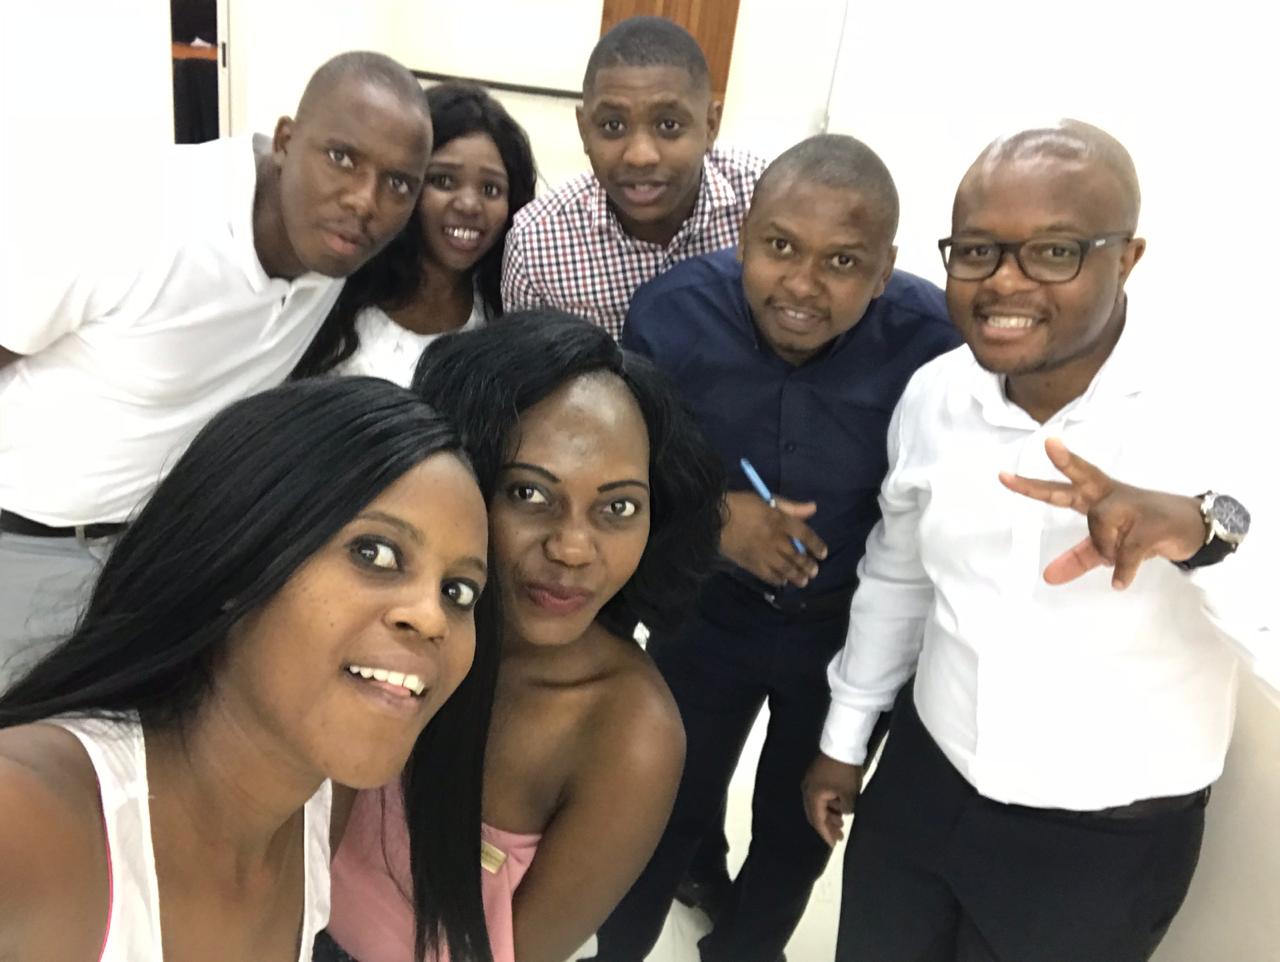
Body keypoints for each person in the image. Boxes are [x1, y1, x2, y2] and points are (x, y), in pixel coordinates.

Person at [804, 120, 1271, 962]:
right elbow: (899, 581)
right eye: (977, 251)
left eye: (1054, 252)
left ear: (1126, 259)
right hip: (925, 784)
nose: (1004, 282)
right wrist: (845, 742)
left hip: (1100, 845)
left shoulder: (1222, 408)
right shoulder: (935, 395)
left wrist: (1202, 536)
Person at [586, 135, 959, 962]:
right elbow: (621, 470)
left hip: (850, 633)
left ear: (886, 268)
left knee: (798, 828)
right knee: (658, 805)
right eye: (780, 247)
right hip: (706, 614)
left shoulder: (936, 344)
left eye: (842, 262)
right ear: (743, 234)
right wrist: (713, 520)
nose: (801, 284)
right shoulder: (671, 315)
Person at [0, 377, 496, 961]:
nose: (433, 617)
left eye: (459, 592)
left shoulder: (320, 803)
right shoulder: (26, 822)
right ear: (240, 560)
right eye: (375, 553)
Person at [0, 51, 434, 686]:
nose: (364, 200)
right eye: (342, 157)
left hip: (162, 561)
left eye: (398, 183)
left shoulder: (338, 255)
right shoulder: (139, 214)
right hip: (29, 544)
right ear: (285, 141)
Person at [319, 311, 726, 962]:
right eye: (530, 494)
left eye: (618, 507)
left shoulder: (629, 736)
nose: (573, 548)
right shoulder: (381, 613)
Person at [501, 15, 765, 338]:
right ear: (584, 130)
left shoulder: (765, 203)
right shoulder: (536, 245)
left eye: (668, 125)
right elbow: (530, 365)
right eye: (613, 126)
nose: (640, 156)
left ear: (711, 125)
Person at [294, 82, 537, 384]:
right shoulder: (336, 290)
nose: (469, 205)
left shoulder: (510, 309)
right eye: (443, 181)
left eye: (490, 189)